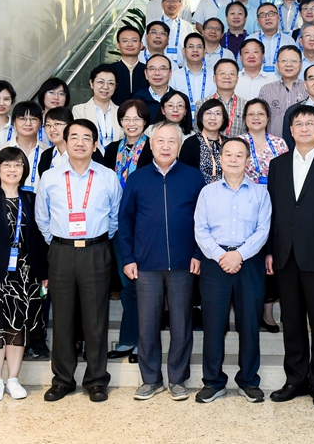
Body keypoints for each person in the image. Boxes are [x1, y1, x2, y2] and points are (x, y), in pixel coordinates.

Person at [117, 121, 207, 402]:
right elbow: (125, 221)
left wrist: (198, 253)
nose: (166, 146)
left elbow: (203, 221)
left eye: (172, 141)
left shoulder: (194, 177)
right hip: (146, 264)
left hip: (183, 264)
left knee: (181, 324)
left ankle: (177, 379)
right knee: (147, 325)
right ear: (152, 145)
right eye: (160, 141)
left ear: (179, 146)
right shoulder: (137, 178)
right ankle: (151, 379)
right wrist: (128, 258)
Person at [35, 118, 123, 403]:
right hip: (61, 251)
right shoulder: (50, 177)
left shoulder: (108, 177)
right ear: (65, 141)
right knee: (62, 318)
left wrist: (96, 239)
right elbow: (42, 217)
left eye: (87, 138)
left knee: (95, 320)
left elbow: (115, 217)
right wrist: (60, 241)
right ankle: (62, 380)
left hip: (96, 251)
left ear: (95, 144)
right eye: (74, 137)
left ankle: (96, 380)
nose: (80, 143)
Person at [266, 105, 314, 408]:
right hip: (285, 255)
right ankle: (295, 379)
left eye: (309, 123)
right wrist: (270, 251)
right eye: (298, 123)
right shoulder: (278, 165)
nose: (303, 128)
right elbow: (273, 211)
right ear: (290, 129)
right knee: (292, 321)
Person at [193, 139, 273, 404]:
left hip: (248, 262)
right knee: (213, 325)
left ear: (247, 161)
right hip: (215, 263)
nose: (233, 159)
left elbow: (263, 230)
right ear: (221, 158)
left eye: (240, 155)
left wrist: (239, 255)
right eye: (228, 154)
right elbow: (200, 230)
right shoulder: (207, 193)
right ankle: (213, 381)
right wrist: (221, 256)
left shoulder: (260, 193)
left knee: (249, 324)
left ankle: (248, 380)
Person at [0, 147, 48, 402]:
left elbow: (39, 239)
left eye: (18, 165)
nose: (12, 169)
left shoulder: (31, 199)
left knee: (18, 327)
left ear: (24, 170)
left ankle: (13, 379)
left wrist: (43, 272)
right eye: (7, 165)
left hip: (25, 275)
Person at [101, 100, 153, 363]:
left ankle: (139, 342)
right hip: (117, 224)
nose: (131, 124)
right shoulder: (112, 150)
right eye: (126, 119)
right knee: (126, 284)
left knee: (143, 285)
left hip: (144, 225)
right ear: (120, 121)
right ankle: (129, 340)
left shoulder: (153, 148)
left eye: (137, 119)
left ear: (145, 122)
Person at [241, 98, 289, 333]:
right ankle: (249, 311)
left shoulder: (280, 143)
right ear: (245, 119)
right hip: (246, 207)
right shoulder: (238, 142)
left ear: (268, 118)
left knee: (273, 259)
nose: (256, 118)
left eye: (261, 113)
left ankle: (268, 313)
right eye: (251, 114)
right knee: (251, 260)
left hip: (276, 206)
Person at [257, 45, 308, 137]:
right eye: (284, 61)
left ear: (301, 65)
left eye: (294, 61)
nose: (289, 64)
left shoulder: (308, 89)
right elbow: (259, 119)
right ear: (277, 65)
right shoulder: (266, 90)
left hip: (303, 142)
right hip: (274, 143)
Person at [72, 64, 123, 153]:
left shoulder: (122, 112)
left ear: (115, 86)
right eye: (100, 82)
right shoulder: (79, 111)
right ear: (91, 83)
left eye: (111, 83)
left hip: (117, 159)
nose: (105, 87)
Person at [180, 99, 228, 184]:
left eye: (217, 113)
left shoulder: (228, 143)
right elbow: (184, 174)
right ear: (201, 117)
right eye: (208, 113)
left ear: (223, 119)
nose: (212, 118)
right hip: (198, 190)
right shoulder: (191, 143)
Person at [196, 58, 247, 138]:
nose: (227, 77)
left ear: (237, 79)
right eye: (222, 73)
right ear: (214, 78)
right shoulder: (201, 103)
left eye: (231, 74)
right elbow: (198, 132)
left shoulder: (246, 105)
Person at [168, 33, 216, 113]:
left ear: (204, 51)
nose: (195, 50)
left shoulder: (214, 75)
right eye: (191, 46)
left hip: (209, 118)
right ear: (184, 51)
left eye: (199, 47)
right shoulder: (174, 76)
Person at [8, 101, 45, 193]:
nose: (28, 123)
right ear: (14, 122)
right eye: (22, 119)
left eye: (33, 119)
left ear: (40, 123)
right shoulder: (4, 150)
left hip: (40, 200)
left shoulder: (48, 152)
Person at [251, 2, 296, 73]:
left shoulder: (288, 41)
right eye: (262, 15)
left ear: (278, 17)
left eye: (271, 14)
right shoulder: (250, 40)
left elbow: (295, 64)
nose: (267, 18)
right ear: (258, 21)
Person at [132, 53, 176, 124]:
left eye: (162, 69)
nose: (157, 73)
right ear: (146, 74)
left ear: (170, 73)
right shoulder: (136, 99)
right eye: (152, 69)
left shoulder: (179, 99)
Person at [108, 26, 147, 106]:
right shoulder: (109, 70)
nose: (130, 44)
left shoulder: (148, 71)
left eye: (134, 40)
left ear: (141, 45)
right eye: (125, 41)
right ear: (118, 45)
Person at [158, 0, 196, 66]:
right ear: (162, 4)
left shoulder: (187, 26)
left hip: (182, 69)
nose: (171, 4)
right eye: (168, 1)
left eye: (175, 1)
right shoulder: (153, 24)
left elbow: (192, 49)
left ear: (180, 5)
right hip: (159, 69)